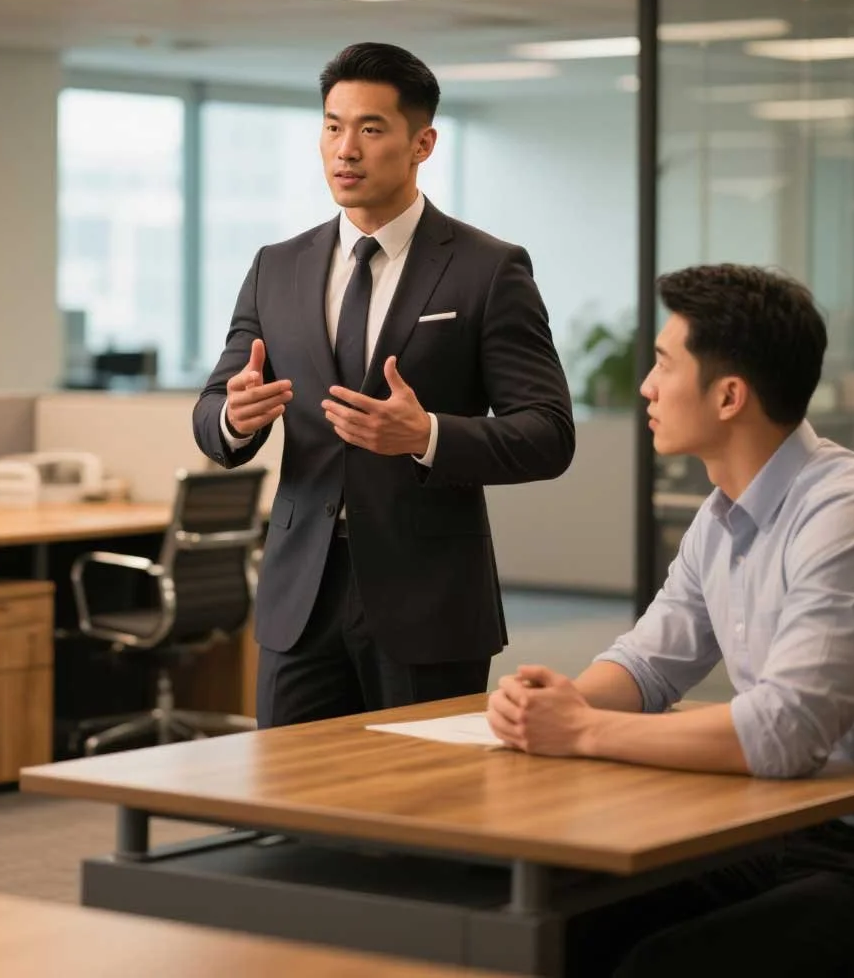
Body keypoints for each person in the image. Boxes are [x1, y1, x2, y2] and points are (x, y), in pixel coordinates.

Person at [487, 264, 854, 977]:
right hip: (792, 830)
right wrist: (555, 703)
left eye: (663, 364)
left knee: (663, 964)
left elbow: (783, 733)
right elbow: (650, 663)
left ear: (730, 395)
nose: (645, 386)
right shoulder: (723, 515)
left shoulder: (851, 516)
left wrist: (582, 731)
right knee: (570, 925)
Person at [193, 41, 575, 728]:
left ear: (422, 142)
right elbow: (214, 409)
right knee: (290, 807)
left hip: (427, 596)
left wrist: (426, 435)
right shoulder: (275, 267)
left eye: (370, 129)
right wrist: (235, 418)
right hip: (298, 594)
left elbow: (547, 433)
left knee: (422, 813)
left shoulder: (487, 270)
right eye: (333, 126)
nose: (346, 149)